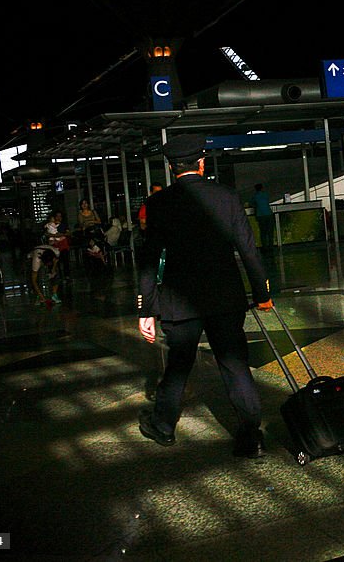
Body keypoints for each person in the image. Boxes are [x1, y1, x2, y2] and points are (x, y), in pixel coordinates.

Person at [137, 134, 274, 459]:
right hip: (225, 298)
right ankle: (250, 435)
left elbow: (149, 259)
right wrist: (262, 293)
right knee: (234, 364)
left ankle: (163, 427)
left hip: (178, 302)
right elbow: (249, 252)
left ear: (172, 168)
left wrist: (146, 308)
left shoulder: (158, 204)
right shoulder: (226, 197)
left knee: (179, 365)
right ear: (202, 163)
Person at [251, 183, 274, 258]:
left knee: (263, 232)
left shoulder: (255, 196)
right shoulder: (265, 195)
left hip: (260, 215)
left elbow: (251, 204)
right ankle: (271, 246)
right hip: (269, 214)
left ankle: (265, 247)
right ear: (262, 188)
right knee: (270, 232)